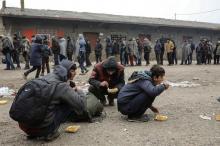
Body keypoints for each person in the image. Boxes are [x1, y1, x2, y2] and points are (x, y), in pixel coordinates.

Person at [10, 59, 103, 141]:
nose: (75, 73)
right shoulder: (61, 86)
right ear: (66, 72)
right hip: (42, 130)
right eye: (72, 70)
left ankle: (36, 129)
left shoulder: (42, 79)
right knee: (69, 103)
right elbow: (81, 106)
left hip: (23, 126)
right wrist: (78, 91)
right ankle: (49, 132)